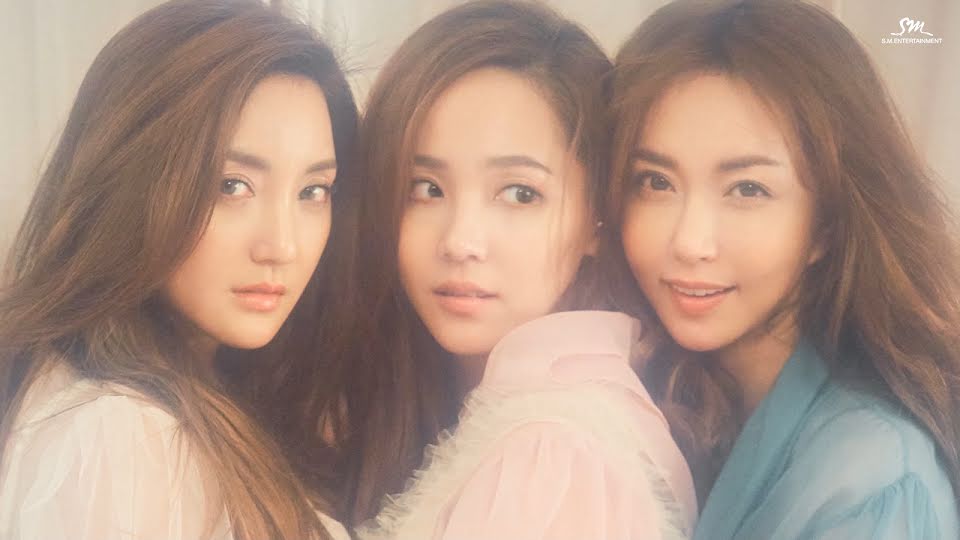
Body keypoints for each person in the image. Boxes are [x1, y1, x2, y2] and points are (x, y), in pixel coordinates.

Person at [320, 2, 696, 539]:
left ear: (597, 217)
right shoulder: (487, 413)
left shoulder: (553, 453)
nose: (460, 241)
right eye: (426, 188)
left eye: (520, 194)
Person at [0, 1, 358, 538]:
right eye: (231, 185)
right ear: (130, 180)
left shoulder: (208, 390)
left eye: (313, 191)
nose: (282, 246)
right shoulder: (118, 435)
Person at [606, 0, 960, 537]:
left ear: (827, 224)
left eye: (747, 189)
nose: (689, 242)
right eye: (656, 182)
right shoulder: (653, 397)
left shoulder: (870, 483)